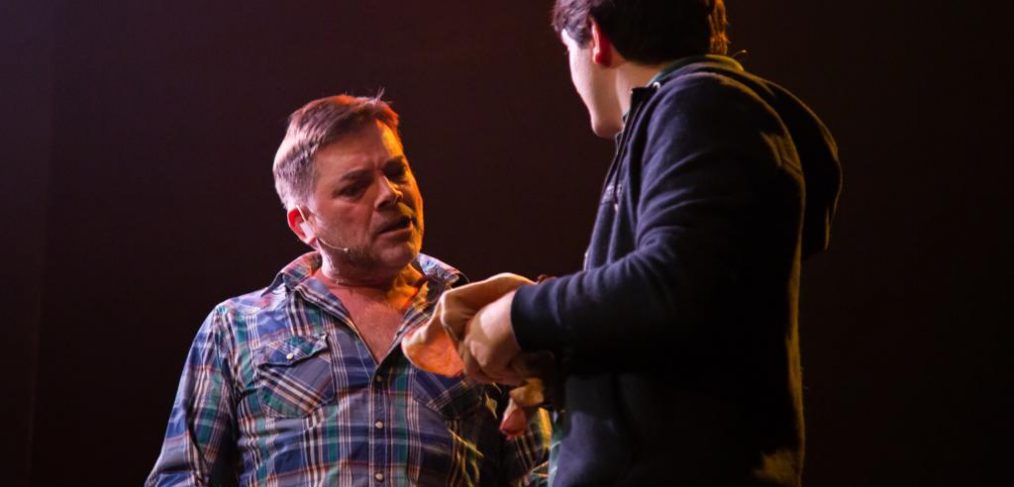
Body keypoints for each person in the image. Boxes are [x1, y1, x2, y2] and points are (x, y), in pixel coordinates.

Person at [441, 1, 843, 485]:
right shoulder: (694, 116)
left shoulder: (700, 105)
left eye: (567, 50)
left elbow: (674, 281)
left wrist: (517, 314)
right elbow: (680, 328)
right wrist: (567, 365)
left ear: (597, 39)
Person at [146, 94, 550, 486]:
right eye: (355, 188)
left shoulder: (486, 317)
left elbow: (545, 472)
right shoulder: (235, 327)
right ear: (304, 224)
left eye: (396, 172)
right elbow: (184, 477)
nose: (390, 194)